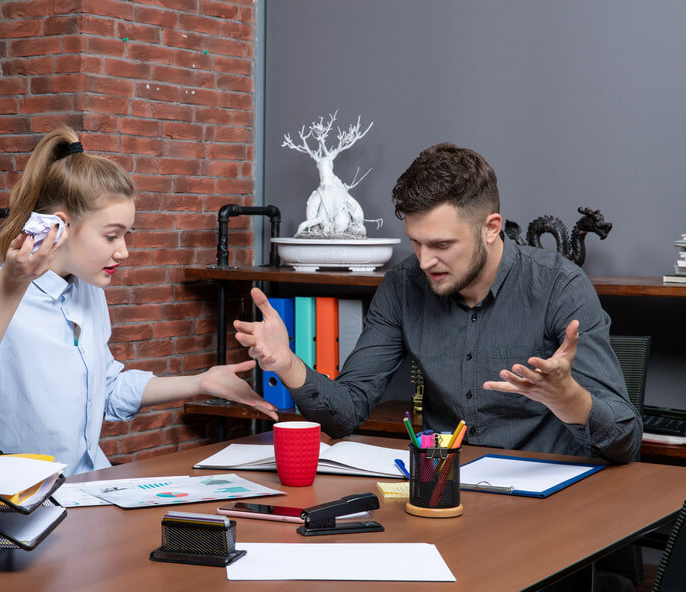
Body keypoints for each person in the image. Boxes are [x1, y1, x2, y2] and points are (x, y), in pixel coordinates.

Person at [235, 142, 641, 465]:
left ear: (490, 228)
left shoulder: (558, 285)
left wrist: (570, 399)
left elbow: (626, 440)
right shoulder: (403, 284)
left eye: (442, 245)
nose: (425, 260)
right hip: (443, 495)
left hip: (548, 506)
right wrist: (287, 364)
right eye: (416, 242)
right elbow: (347, 412)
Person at [0, 126, 277, 475]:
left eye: (126, 235)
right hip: (16, 506)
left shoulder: (86, 290)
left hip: (85, 489)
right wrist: (12, 285)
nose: (123, 251)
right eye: (111, 236)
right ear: (58, 227)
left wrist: (202, 382)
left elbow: (104, 388)